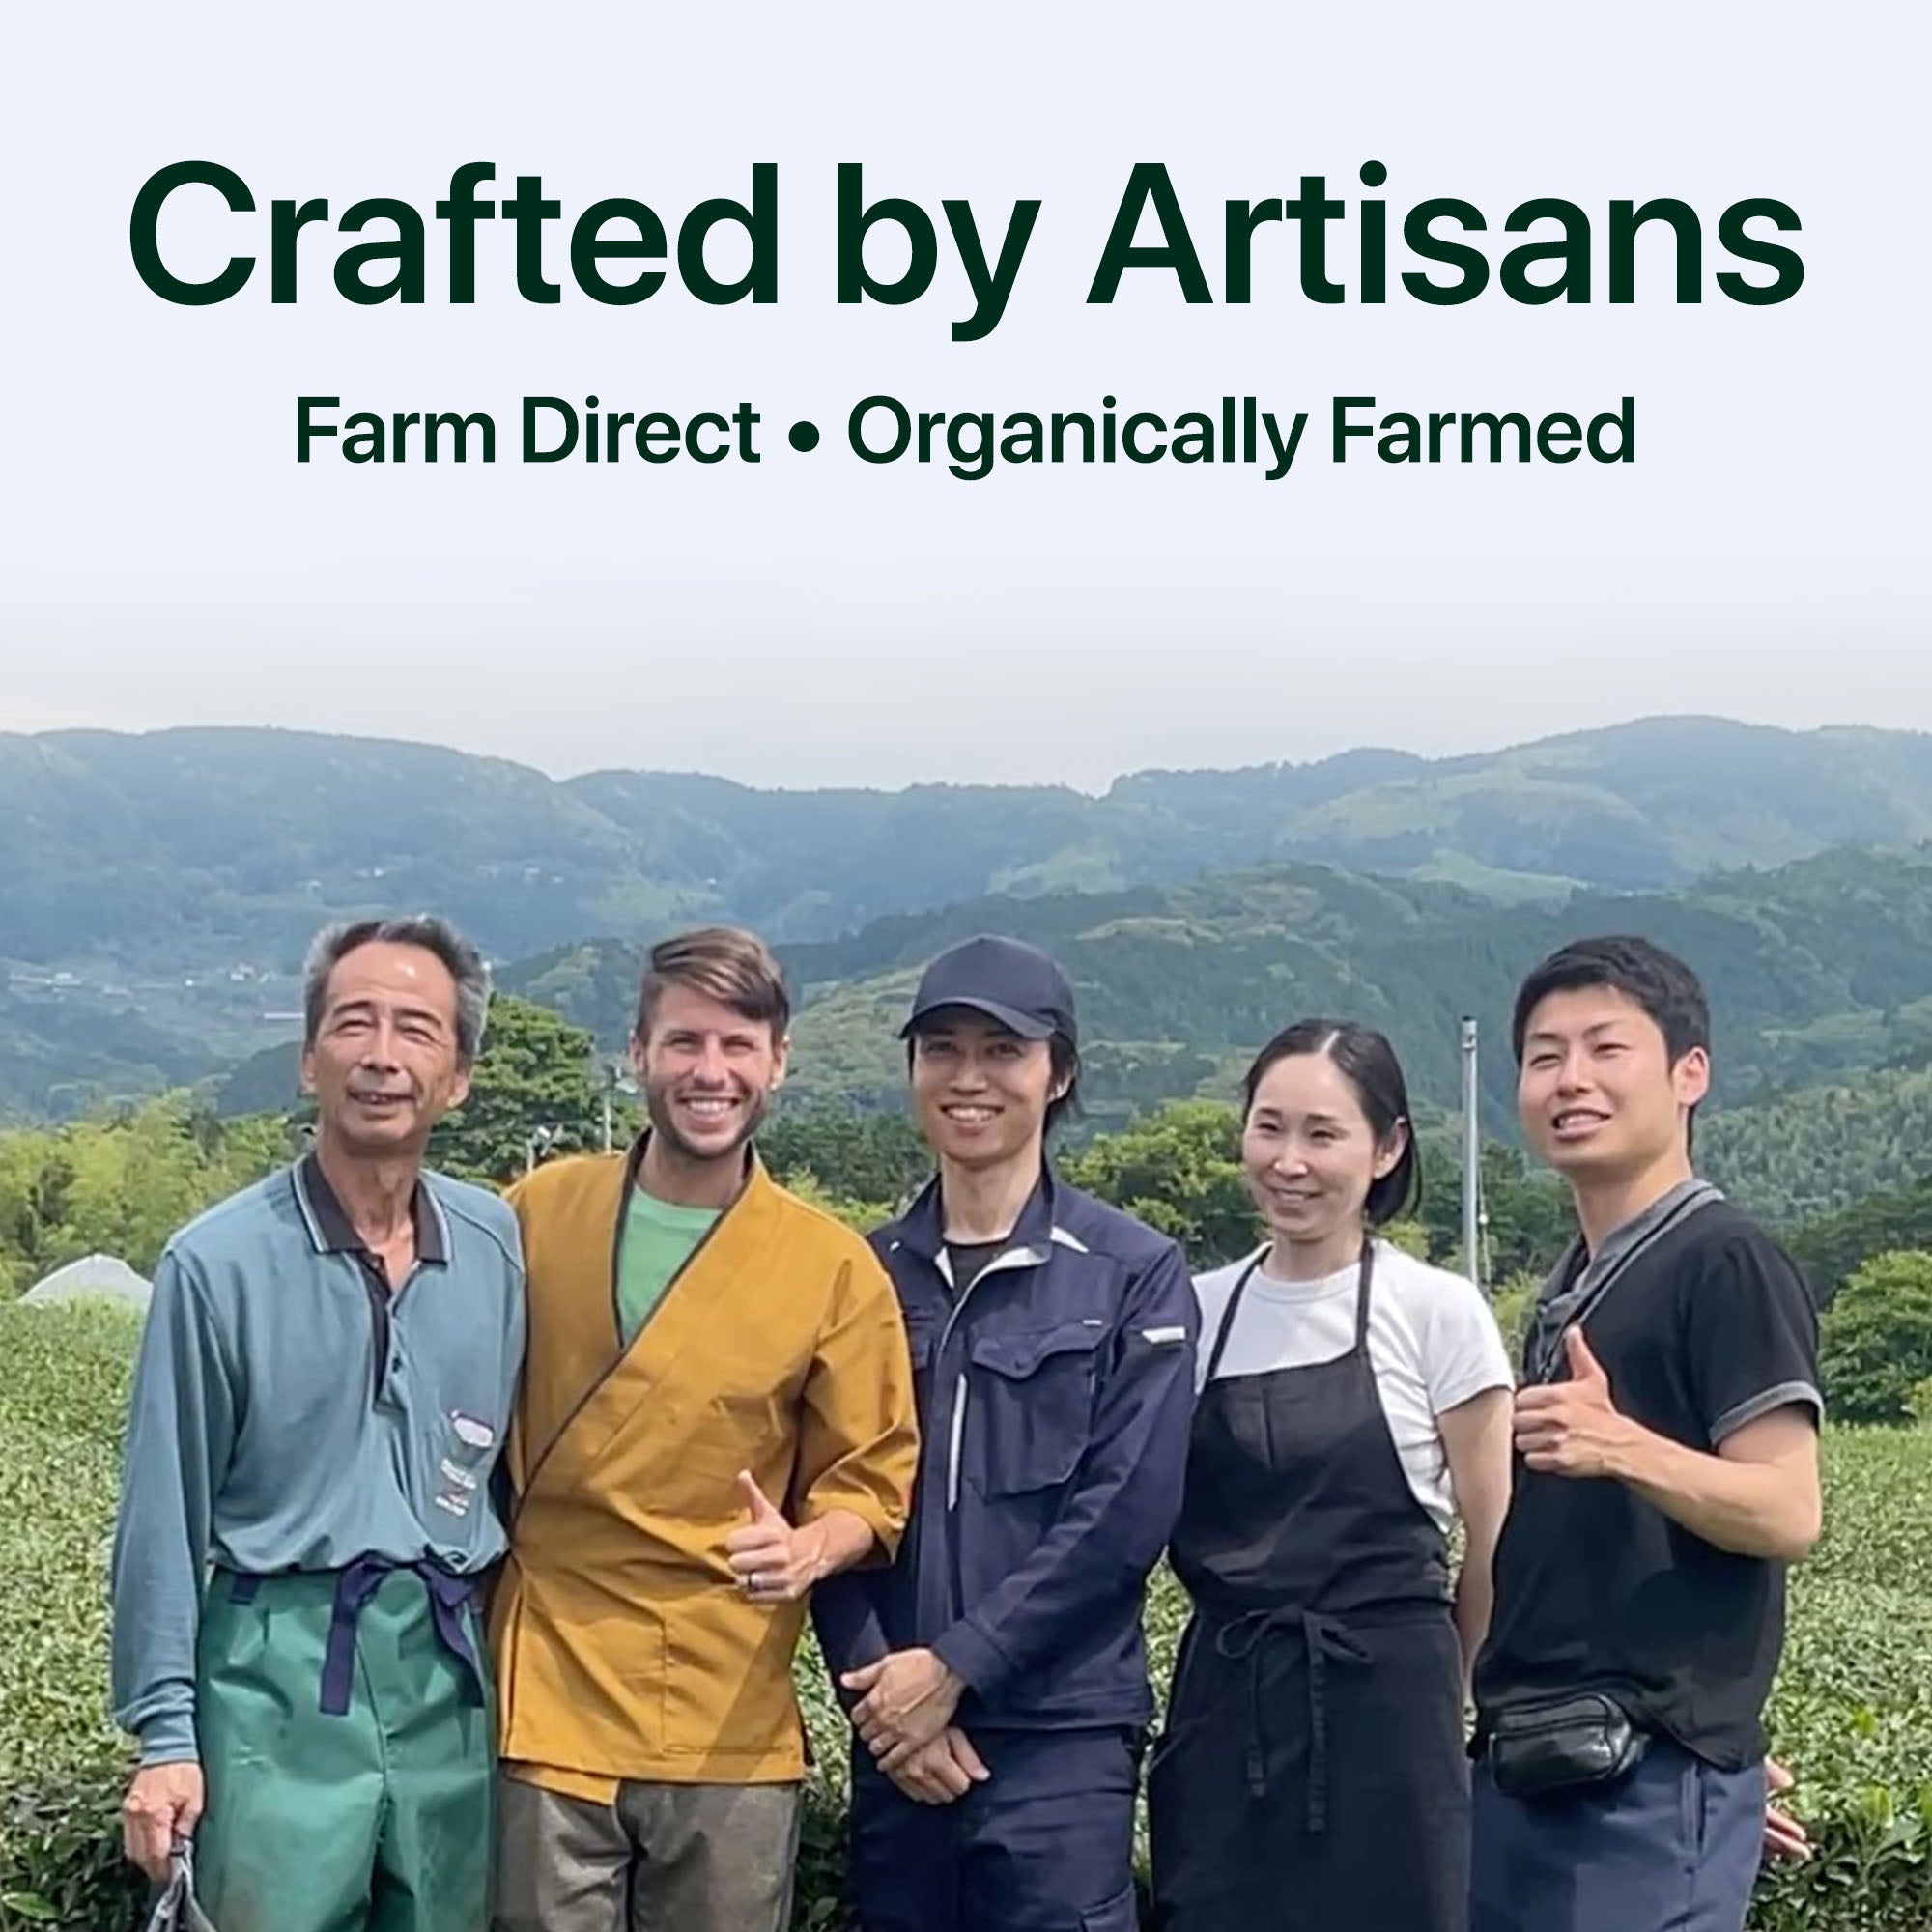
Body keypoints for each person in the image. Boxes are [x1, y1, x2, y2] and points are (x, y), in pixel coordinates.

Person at [487, 925, 919, 1932]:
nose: (708, 1071)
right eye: (683, 1042)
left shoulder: (831, 1265)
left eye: (736, 1045)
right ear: (636, 1051)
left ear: (778, 1060)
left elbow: (874, 1478)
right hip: (548, 1685)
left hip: (728, 1698)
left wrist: (810, 1542)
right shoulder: (535, 1213)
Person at [111, 915, 526, 1932]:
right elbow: (162, 1513)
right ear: (307, 1059)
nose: (382, 1055)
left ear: (458, 1074)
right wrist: (166, 1734)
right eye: (354, 1023)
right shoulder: (215, 1263)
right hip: (271, 1671)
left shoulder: (495, 1244)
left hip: (444, 1670)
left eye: (417, 1029)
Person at [812, 933, 1200, 1932]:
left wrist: (956, 1667)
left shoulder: (1131, 1270)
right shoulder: (860, 1273)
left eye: (1002, 1048)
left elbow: (1125, 1511)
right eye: (940, 1048)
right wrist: (881, 1695)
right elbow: (823, 1495)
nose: (967, 1076)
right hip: (892, 1729)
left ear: (1056, 1071)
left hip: (1058, 1735)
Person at [1470, 935, 1824, 1932]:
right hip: (1536, 1765)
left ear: (1687, 1072)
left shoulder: (1723, 1258)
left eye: (1602, 1047)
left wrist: (1619, 1442)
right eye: (1542, 1055)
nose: (1568, 1078)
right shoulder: (1570, 1280)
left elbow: (1787, 1507)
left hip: (1632, 1786)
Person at [1148, 1019, 1515, 1930]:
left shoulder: (1437, 1311)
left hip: (1393, 1716)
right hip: (1225, 1707)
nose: (1289, 1161)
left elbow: (1494, 1540)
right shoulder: (1193, 1310)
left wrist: (1454, 1699)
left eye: (1324, 1133)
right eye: (1269, 1128)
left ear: (1387, 1149)